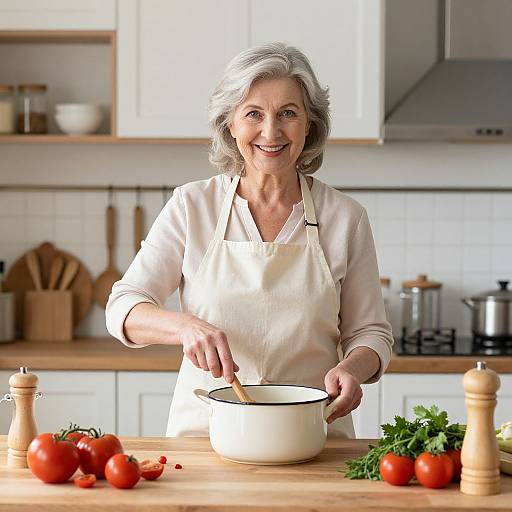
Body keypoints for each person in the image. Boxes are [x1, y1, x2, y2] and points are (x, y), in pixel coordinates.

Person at [106, 42, 393, 438]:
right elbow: (123, 307)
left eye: (287, 114)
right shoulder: (192, 206)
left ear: (309, 124)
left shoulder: (345, 217)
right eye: (253, 114)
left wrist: (352, 368)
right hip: (208, 438)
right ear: (231, 124)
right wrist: (185, 327)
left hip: (312, 436)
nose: (270, 132)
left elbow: (370, 334)